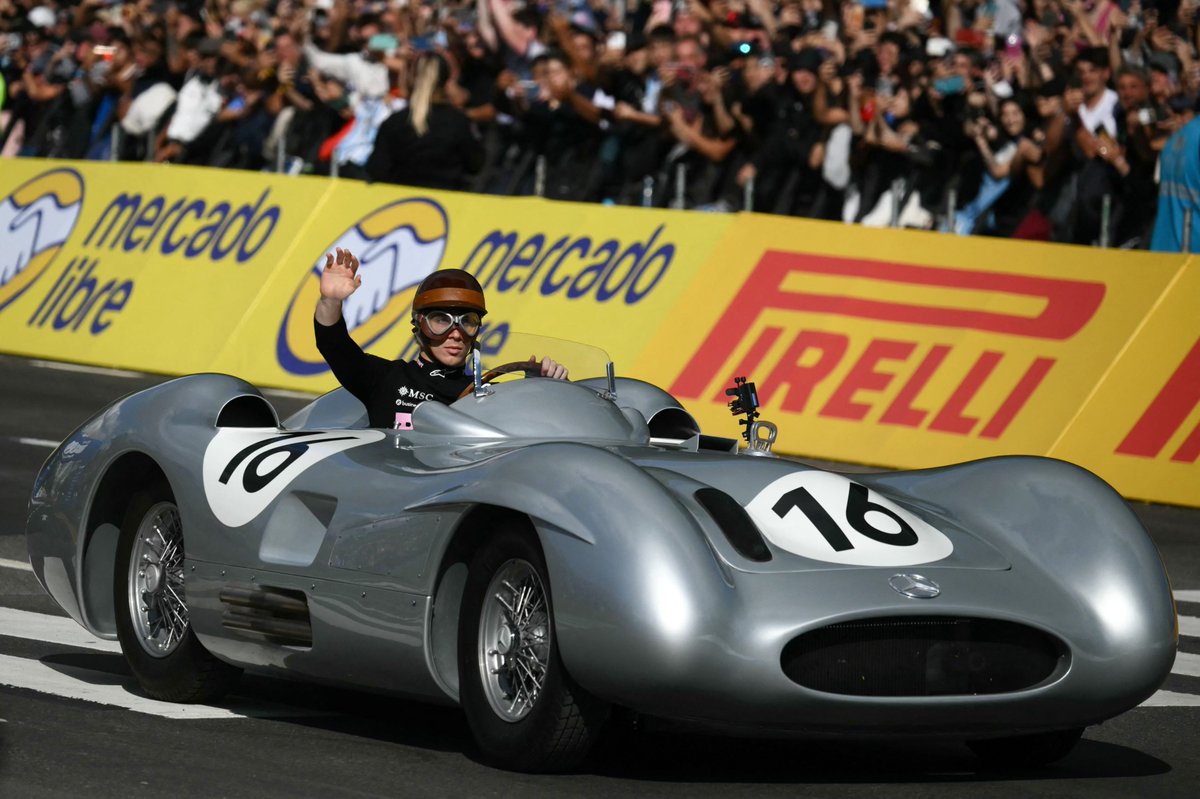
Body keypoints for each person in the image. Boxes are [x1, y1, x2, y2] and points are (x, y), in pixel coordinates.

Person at [314, 249, 567, 429]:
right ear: (420, 325)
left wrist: (547, 390)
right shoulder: (385, 379)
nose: (456, 334)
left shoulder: (489, 396)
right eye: (441, 320)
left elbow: (536, 430)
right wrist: (330, 301)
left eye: (467, 321)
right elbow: (332, 344)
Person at [365, 52, 483, 190]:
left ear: (411, 79)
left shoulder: (394, 123)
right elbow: (475, 164)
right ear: (447, 80)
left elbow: (376, 170)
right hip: (447, 200)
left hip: (401, 200)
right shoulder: (458, 122)